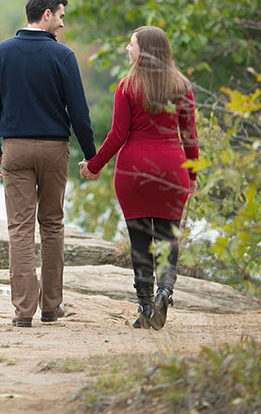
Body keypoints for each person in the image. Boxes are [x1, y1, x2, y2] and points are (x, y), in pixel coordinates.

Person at [0, 0, 97, 328]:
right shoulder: (63, 57)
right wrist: (92, 158)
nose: (63, 23)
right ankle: (51, 307)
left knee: (19, 228)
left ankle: (22, 312)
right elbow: (79, 114)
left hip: (15, 148)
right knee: (51, 225)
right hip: (54, 150)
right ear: (46, 14)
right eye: (60, 16)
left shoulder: (1, 52)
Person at [79, 26, 198, 330]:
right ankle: (164, 291)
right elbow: (190, 137)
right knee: (168, 237)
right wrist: (193, 174)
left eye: (130, 45)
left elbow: (118, 134)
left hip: (134, 172)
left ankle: (146, 308)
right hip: (172, 169)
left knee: (139, 241)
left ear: (143, 51)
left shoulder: (127, 87)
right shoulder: (182, 87)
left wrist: (94, 164)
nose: (127, 50)